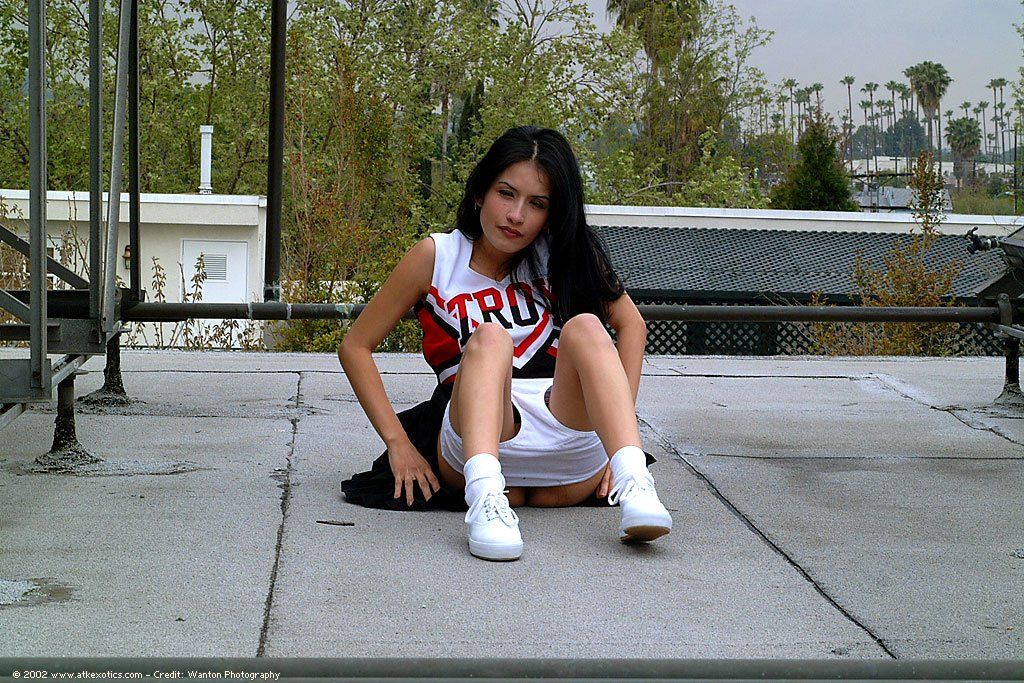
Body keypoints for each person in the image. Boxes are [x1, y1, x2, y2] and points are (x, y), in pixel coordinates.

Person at [338, 125, 672, 561]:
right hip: (479, 438)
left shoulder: (565, 255)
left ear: (551, 214)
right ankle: (485, 500)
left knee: (588, 327)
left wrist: (617, 444)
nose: (516, 215)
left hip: (568, 448)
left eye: (537, 204)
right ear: (480, 193)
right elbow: (356, 346)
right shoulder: (438, 256)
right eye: (506, 194)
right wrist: (398, 443)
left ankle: (634, 481)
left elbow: (632, 325)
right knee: (491, 337)